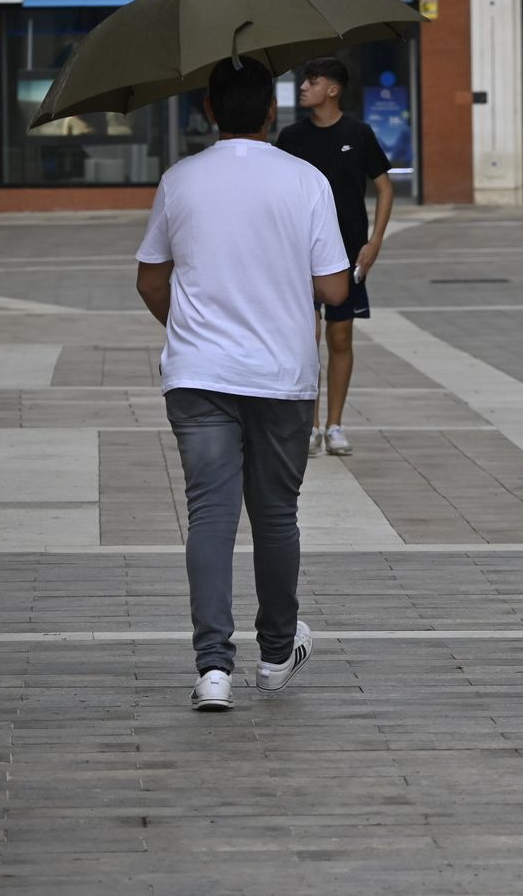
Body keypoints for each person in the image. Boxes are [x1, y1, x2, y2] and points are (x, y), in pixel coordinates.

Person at [136, 57, 350, 712]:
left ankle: (212, 669)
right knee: (276, 513)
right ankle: (278, 652)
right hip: (282, 376)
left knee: (210, 514)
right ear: (271, 112)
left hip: (198, 376)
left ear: (207, 110)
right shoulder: (306, 179)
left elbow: (149, 278)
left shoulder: (180, 180)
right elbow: (335, 288)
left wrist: (193, 332)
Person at [275, 56, 395, 458]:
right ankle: (308, 426)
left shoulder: (358, 132)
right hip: (299, 255)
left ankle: (335, 425)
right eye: (303, 80)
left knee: (340, 337)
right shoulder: (291, 138)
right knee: (305, 340)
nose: (304, 86)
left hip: (346, 255)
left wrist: (375, 241)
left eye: (313, 81)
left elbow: (385, 187)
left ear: (333, 89)